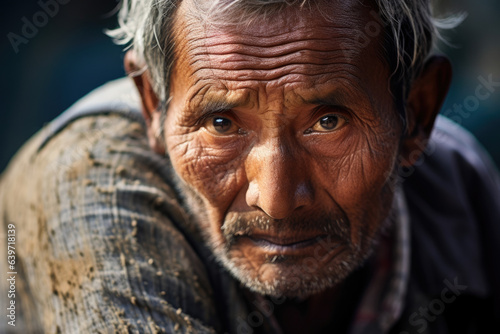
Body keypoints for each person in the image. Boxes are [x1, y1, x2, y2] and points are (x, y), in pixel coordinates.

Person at [1, 0, 499, 333]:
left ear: (417, 112)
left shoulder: (457, 187)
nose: (277, 199)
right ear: (153, 107)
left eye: (328, 121)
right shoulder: (88, 184)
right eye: (221, 122)